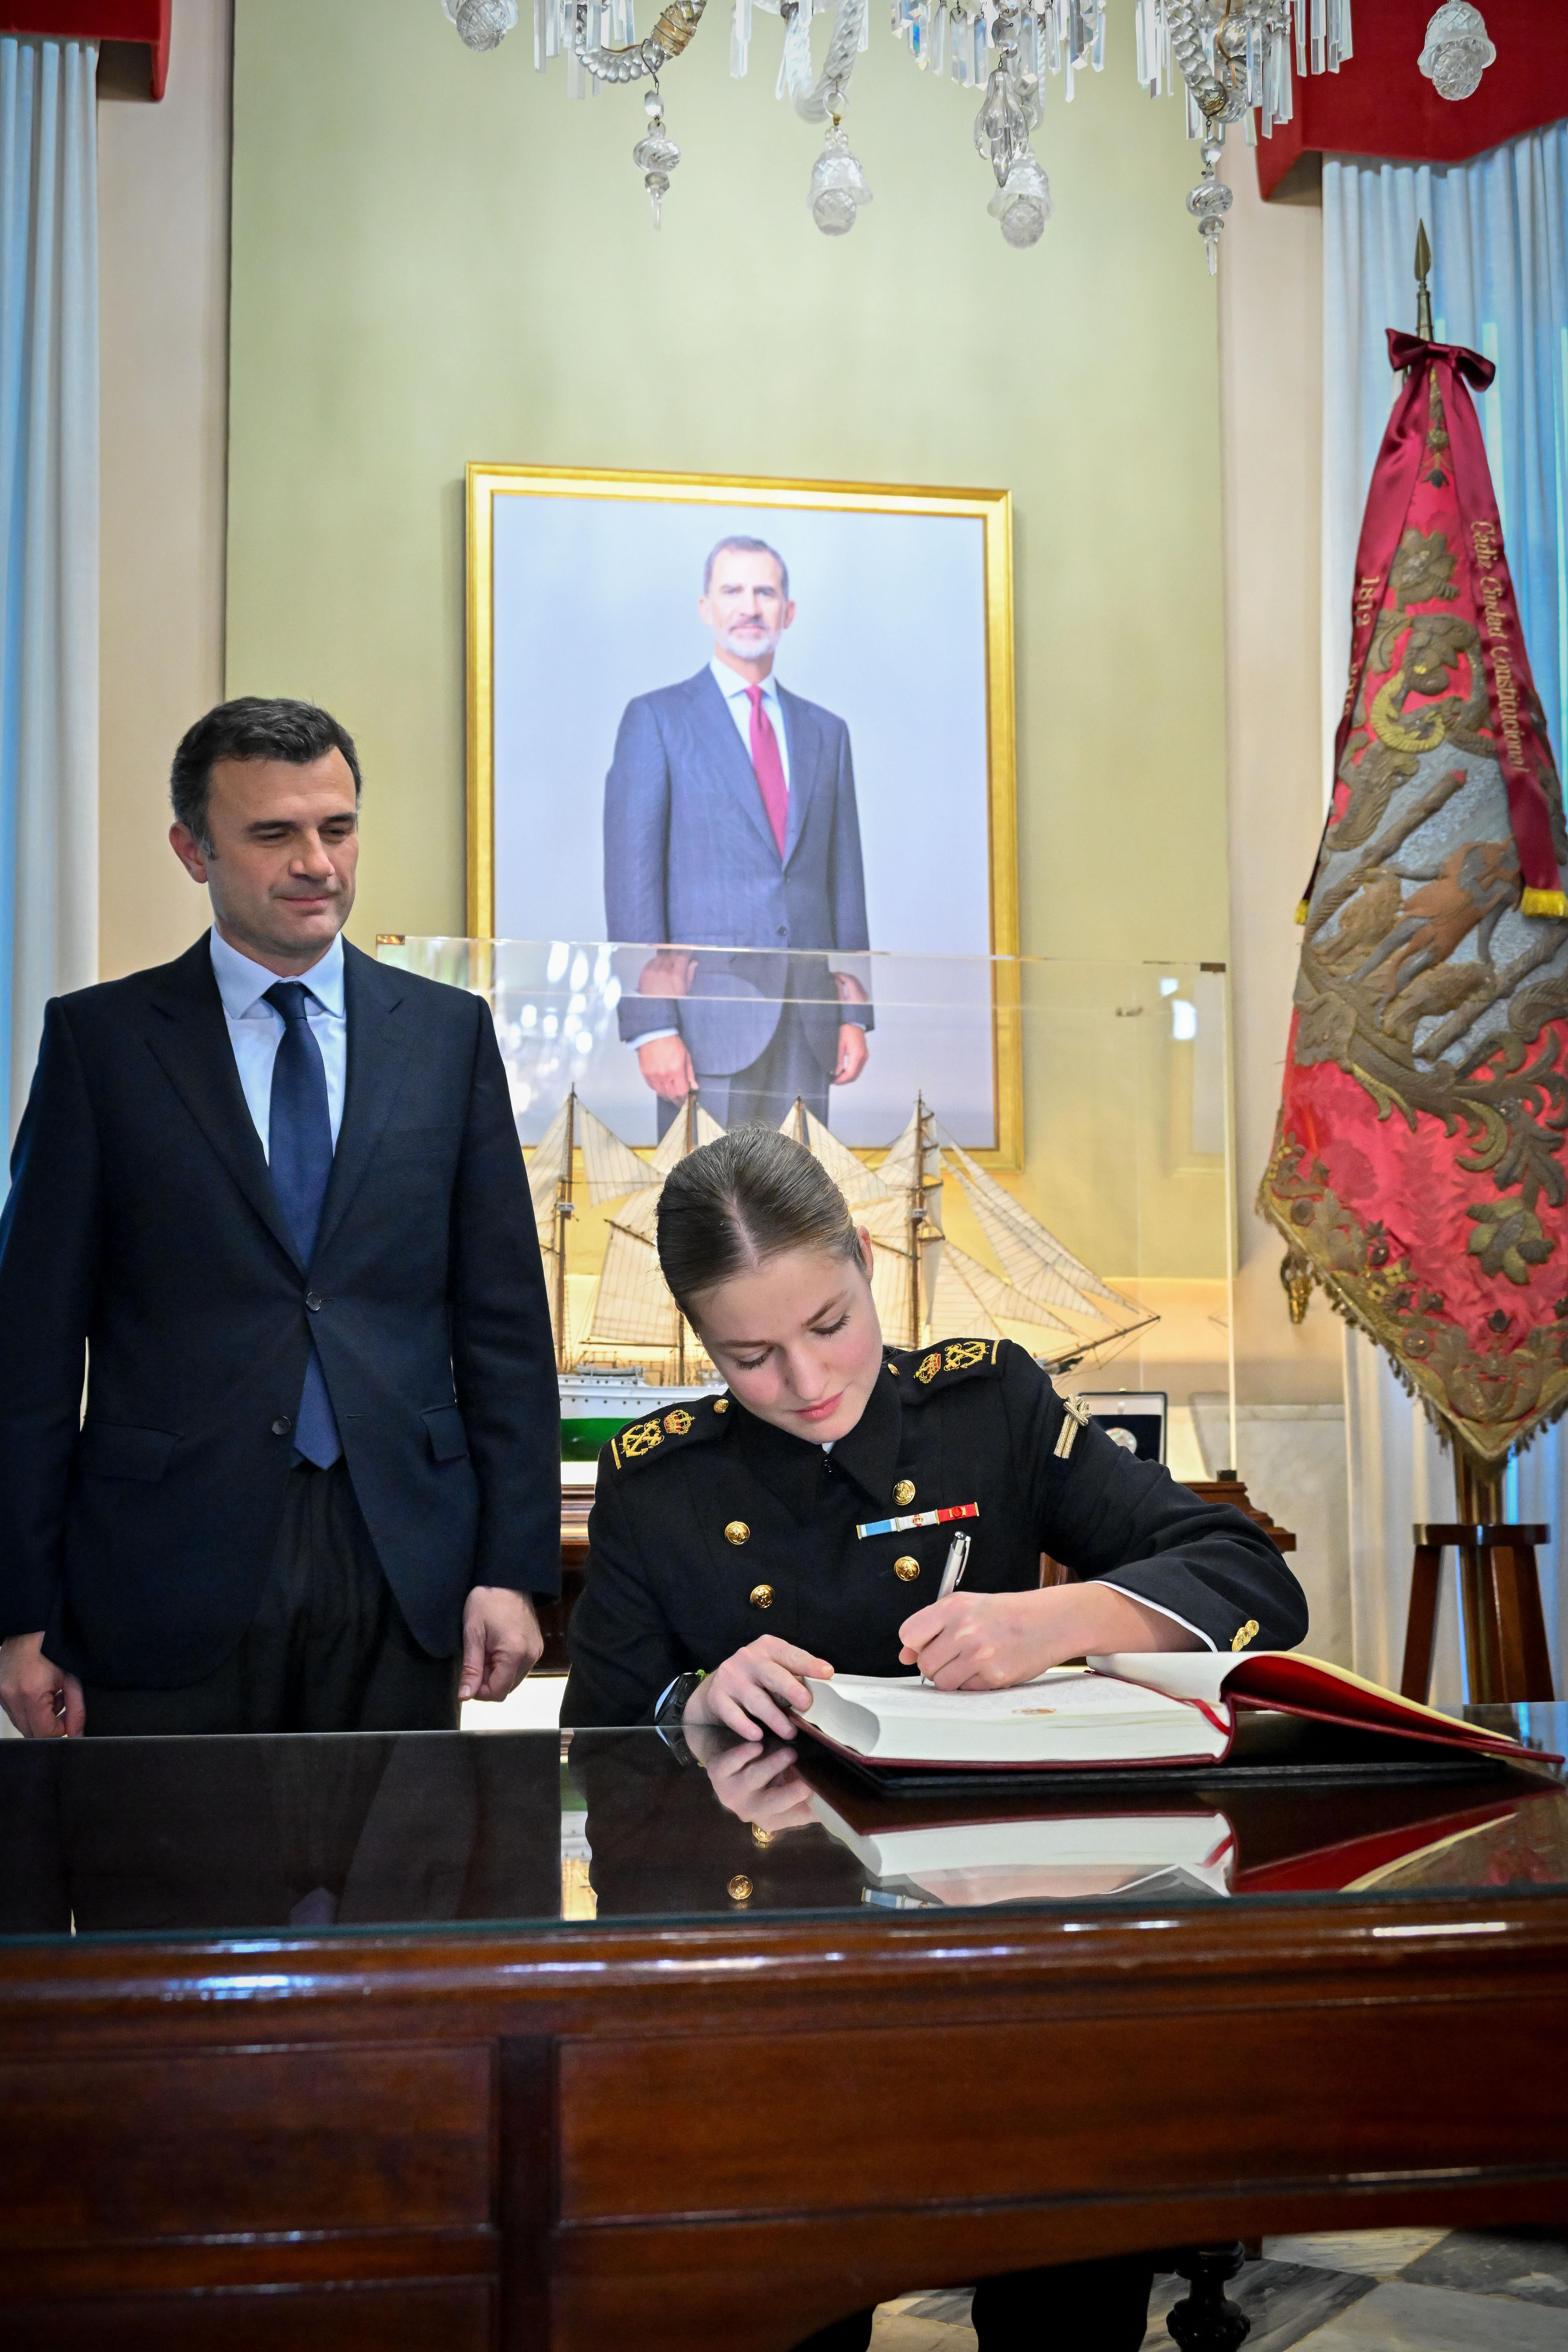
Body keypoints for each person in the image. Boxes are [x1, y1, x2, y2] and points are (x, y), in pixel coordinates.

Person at [563, 1125, 1308, 2352]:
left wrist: (1056, 1617)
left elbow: (1248, 1582)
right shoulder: (659, 1483)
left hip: (1008, 1952)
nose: (805, 1383)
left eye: (829, 1324)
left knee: (1067, 2280)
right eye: (748, 1357)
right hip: (783, 1983)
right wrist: (690, 1702)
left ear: (864, 1261)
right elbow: (595, 1736)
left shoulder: (987, 1408)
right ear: (698, 1342)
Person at [0, 697, 560, 1741]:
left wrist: (511, 1567)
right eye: (275, 834)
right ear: (192, 850)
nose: (317, 862)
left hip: (403, 1565)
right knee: (162, 1893)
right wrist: (19, 1614)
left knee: (400, 1898)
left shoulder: (447, 1037)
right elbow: (28, 1357)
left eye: (337, 828)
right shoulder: (101, 1044)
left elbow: (505, 1330)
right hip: (163, 1570)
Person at [602, 535, 873, 1136]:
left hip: (809, 1025)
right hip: (705, 1029)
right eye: (733, 591)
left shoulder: (827, 734)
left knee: (799, 1215)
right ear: (706, 608)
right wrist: (653, 1025)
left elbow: (844, 885)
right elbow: (633, 886)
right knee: (709, 1218)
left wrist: (852, 1012)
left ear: (788, 611)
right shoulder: (657, 721)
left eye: (765, 592)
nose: (749, 606)